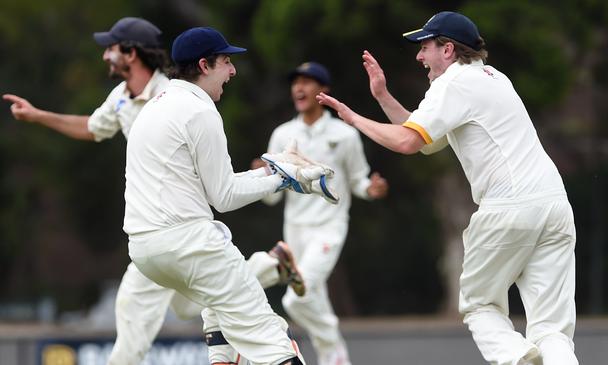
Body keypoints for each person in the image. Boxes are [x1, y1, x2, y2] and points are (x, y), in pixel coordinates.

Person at [3, 17, 305, 365]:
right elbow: (91, 127)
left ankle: (267, 273)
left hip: (171, 231)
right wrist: (38, 115)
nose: (105, 56)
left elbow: (216, 184)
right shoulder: (122, 98)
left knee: (169, 310)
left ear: (131, 53)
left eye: (111, 48)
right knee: (199, 302)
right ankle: (270, 267)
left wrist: (271, 177)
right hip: (161, 231)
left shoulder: (175, 90)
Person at [317, 11, 578, 365]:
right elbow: (428, 141)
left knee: (479, 304)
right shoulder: (494, 77)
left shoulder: (452, 84)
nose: (419, 57)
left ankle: (519, 358)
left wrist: (353, 118)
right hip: (554, 205)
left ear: (449, 50)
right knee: (552, 329)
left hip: (509, 208)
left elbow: (408, 143)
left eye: (425, 47)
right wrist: (382, 97)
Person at [123, 26, 341, 365]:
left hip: (145, 252)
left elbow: (210, 188)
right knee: (270, 338)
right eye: (226, 61)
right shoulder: (200, 110)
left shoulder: (153, 106)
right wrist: (282, 178)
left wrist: (271, 171)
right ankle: (270, 268)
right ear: (204, 65)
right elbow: (224, 197)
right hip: (190, 244)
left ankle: (226, 347)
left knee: (217, 309)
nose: (233, 70)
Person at [250, 62, 389, 365]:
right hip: (295, 231)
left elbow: (358, 181)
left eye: (307, 82)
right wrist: (258, 177)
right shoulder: (282, 134)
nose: (299, 88)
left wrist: (372, 189)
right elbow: (272, 196)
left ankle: (333, 345)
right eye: (295, 82)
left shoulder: (344, 134)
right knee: (315, 299)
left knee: (296, 298)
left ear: (323, 90)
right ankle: (335, 358)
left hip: (329, 227)